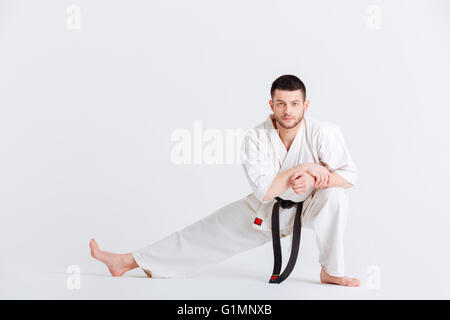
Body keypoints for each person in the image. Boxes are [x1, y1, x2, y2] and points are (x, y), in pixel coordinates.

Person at [90, 74, 360, 286]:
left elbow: (349, 176)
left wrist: (314, 181)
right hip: (270, 209)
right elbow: (265, 192)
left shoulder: (323, 132)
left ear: (306, 105)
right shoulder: (256, 137)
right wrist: (303, 168)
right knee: (204, 233)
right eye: (281, 104)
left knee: (335, 196)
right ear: (271, 105)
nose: (287, 110)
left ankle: (331, 271)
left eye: (294, 104)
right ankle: (126, 262)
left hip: (314, 204)